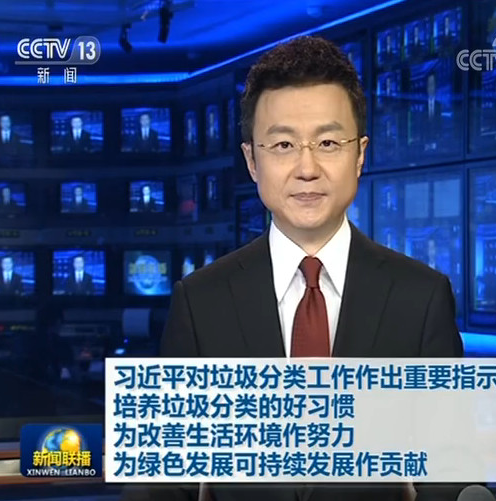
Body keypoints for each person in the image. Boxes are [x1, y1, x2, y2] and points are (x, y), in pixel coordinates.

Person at [126, 36, 463, 501]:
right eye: (284, 144)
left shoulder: (421, 297)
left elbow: (451, 474)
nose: (307, 168)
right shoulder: (200, 302)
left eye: (328, 142)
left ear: (360, 154)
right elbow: (162, 484)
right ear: (252, 160)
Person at [422, 72, 442, 149]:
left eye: (433, 85)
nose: (431, 88)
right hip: (425, 143)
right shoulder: (423, 106)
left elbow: (440, 125)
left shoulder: (439, 106)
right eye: (429, 85)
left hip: (438, 142)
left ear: (436, 87)